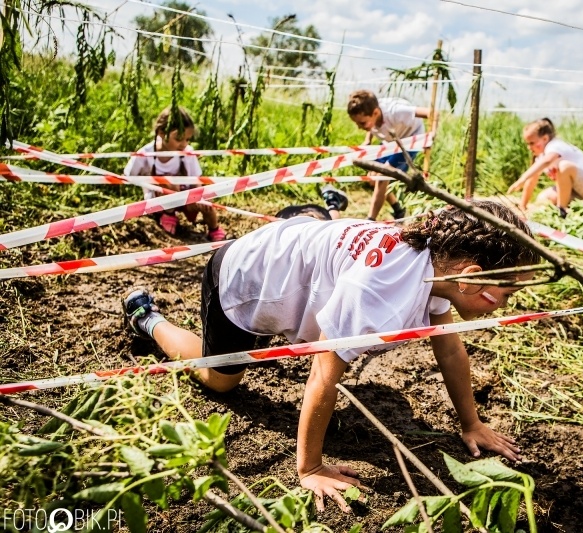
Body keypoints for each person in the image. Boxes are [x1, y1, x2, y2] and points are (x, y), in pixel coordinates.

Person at [121, 200, 539, 512]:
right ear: (469, 278)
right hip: (242, 279)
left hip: (288, 254)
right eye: (508, 292)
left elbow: (447, 344)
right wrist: (309, 468)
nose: (506, 303)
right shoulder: (379, 292)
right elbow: (323, 373)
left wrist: (472, 423)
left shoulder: (433, 264)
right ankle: (147, 318)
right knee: (222, 381)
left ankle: (308, 216)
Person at [124, 106, 226, 241]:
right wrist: (151, 184)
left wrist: (202, 197)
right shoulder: (145, 154)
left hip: (185, 198)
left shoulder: (187, 152)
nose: (184, 144)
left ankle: (214, 229)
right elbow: (128, 176)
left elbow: (196, 181)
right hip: (158, 201)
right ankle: (168, 215)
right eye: (179, 139)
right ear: (161, 132)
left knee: (205, 196)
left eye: (187, 139)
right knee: (170, 184)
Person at [346, 90, 432, 221]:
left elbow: (431, 112)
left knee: (382, 177)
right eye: (357, 123)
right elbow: (371, 124)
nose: (359, 127)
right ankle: (398, 209)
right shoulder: (373, 115)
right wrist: (368, 140)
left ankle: (370, 220)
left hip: (409, 141)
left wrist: (431, 136)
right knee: (372, 178)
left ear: (375, 113)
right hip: (391, 140)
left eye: (362, 123)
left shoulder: (396, 112)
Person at [507, 118, 583, 217]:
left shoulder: (555, 145)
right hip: (574, 190)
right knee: (543, 198)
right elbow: (532, 180)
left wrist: (522, 178)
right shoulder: (540, 157)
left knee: (564, 166)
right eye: (527, 144)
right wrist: (523, 205)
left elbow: (548, 161)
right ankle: (576, 207)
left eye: (532, 143)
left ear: (545, 138)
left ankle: (562, 210)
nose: (529, 147)